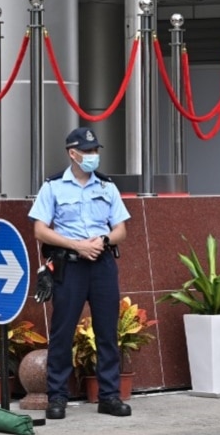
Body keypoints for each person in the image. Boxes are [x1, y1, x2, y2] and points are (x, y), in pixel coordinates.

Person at [29, 127, 131, 420]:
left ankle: (109, 396)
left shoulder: (107, 187)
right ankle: (57, 397)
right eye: (87, 151)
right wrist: (76, 245)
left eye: (95, 151)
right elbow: (40, 230)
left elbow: (121, 228)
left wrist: (104, 241)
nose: (92, 156)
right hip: (69, 266)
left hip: (102, 266)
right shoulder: (52, 187)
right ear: (72, 153)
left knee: (107, 332)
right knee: (62, 332)